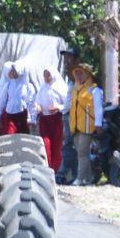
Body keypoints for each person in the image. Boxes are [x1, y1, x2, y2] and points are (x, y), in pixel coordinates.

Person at [69, 62, 103, 185]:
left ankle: (79, 178)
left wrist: (98, 124)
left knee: (83, 153)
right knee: (81, 152)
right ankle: (88, 179)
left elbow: (98, 109)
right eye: (76, 73)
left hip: (88, 126)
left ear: (87, 75)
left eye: (81, 73)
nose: (78, 76)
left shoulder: (94, 90)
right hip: (76, 126)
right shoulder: (75, 89)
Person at [55, 47, 80, 184]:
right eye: (65, 58)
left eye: (69, 58)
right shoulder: (70, 77)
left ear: (77, 60)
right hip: (67, 113)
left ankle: (64, 173)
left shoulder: (78, 75)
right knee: (69, 144)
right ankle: (72, 174)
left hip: (73, 114)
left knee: (69, 145)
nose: (66, 61)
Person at [35, 64, 67, 173]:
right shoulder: (42, 88)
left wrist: (58, 108)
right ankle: (47, 168)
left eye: (48, 75)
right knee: (46, 143)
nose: (46, 77)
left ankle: (56, 169)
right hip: (45, 120)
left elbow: (67, 104)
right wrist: (38, 107)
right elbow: (38, 101)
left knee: (57, 145)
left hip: (57, 119)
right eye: (45, 75)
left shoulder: (60, 87)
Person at [0, 61, 36, 136]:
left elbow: (31, 103)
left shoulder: (28, 87)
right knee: (10, 134)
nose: (12, 72)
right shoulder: (9, 85)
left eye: (14, 70)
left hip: (23, 116)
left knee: (23, 138)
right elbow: (2, 101)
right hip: (10, 114)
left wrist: (32, 119)